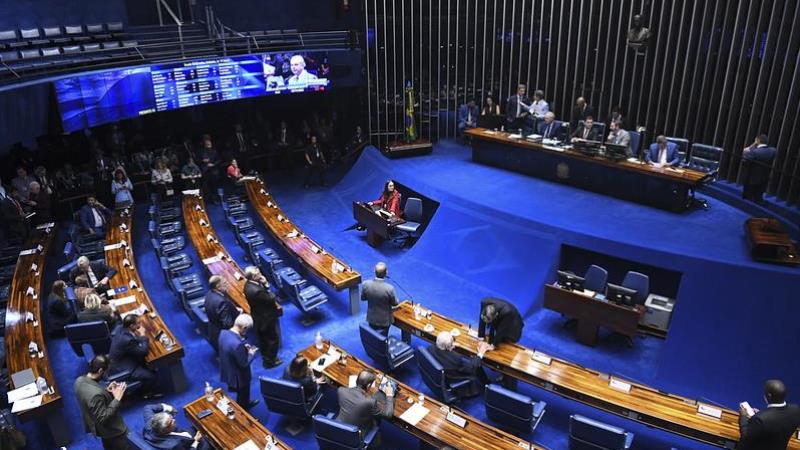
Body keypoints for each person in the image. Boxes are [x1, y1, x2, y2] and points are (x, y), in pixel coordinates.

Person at [74, 355, 130, 450]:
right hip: (112, 432)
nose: (106, 374)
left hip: (95, 425)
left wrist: (106, 390)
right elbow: (103, 418)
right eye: (106, 371)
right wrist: (117, 398)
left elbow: (91, 397)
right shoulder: (95, 395)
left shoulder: (79, 381)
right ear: (100, 371)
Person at [337, 370, 395, 447]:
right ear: (368, 386)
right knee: (376, 413)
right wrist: (389, 395)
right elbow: (389, 414)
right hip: (358, 435)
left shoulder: (341, 390)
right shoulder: (370, 402)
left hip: (339, 430)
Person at [738, 379, 800, 450]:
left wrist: (743, 418)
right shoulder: (796, 410)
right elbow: (779, 420)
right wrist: (763, 414)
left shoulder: (760, 419)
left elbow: (746, 437)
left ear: (768, 395)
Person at [109, 314, 161, 398]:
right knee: (152, 376)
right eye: (138, 323)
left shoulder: (120, 328)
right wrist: (143, 336)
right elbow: (143, 351)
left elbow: (134, 340)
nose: (140, 325)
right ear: (131, 325)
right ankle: (146, 393)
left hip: (118, 359)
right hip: (123, 367)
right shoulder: (127, 340)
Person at [429, 331, 490, 398]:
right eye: (452, 343)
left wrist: (451, 346)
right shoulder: (456, 359)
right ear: (448, 347)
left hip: (442, 372)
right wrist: (480, 354)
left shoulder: (431, 348)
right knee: (477, 365)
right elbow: (471, 368)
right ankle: (487, 385)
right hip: (453, 378)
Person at [243, 266, 282, 368]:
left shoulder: (247, 285)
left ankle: (266, 357)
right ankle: (270, 362)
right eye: (258, 273)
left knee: (264, 339)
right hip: (266, 318)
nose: (260, 274)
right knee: (273, 339)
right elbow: (271, 298)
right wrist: (266, 284)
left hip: (258, 316)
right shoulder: (257, 291)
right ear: (254, 276)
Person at [219, 314, 259, 409]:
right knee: (243, 396)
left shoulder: (223, 333)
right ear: (244, 328)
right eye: (247, 330)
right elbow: (244, 364)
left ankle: (244, 405)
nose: (246, 333)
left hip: (228, 368)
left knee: (242, 395)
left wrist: (242, 349)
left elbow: (228, 348)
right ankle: (244, 410)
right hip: (239, 377)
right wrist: (251, 353)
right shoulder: (237, 345)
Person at [143, 403, 207, 450]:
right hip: (188, 445)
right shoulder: (174, 445)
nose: (174, 420)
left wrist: (170, 408)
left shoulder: (150, 422)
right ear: (164, 430)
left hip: (179, 434)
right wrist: (196, 441)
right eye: (171, 422)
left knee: (196, 426)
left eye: (171, 417)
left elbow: (147, 407)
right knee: (208, 443)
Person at [361, 262, 399, 335]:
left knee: (372, 336)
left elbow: (363, 298)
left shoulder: (366, 284)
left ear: (374, 271)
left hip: (371, 318)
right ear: (386, 273)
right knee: (383, 338)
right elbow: (395, 303)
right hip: (384, 321)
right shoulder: (390, 288)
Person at [204, 276, 239, 352]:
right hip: (222, 335)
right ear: (218, 287)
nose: (227, 284)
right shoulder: (221, 302)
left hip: (213, 330)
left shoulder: (209, 293)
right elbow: (227, 324)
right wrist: (239, 316)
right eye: (225, 283)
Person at [741, 134, 778, 203]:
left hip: (752, 176)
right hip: (765, 176)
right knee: (759, 193)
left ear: (758, 141)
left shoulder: (754, 152)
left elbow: (744, 157)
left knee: (749, 195)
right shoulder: (773, 150)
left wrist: (753, 144)